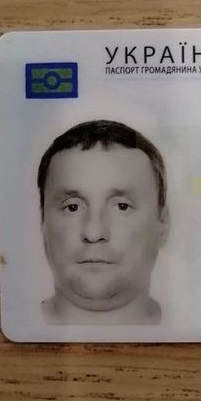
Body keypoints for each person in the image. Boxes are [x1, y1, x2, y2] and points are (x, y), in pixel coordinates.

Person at [37, 119, 169, 325]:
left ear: (163, 223)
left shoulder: (198, 333)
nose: (94, 232)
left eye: (122, 206)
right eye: (72, 207)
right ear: (43, 221)